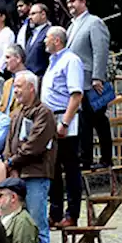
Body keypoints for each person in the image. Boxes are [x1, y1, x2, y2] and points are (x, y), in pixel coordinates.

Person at [4, 71, 56, 243]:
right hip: (19, 174)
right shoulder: (17, 114)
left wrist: (13, 161)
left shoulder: (44, 113)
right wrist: (10, 162)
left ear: (32, 88)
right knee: (18, 225)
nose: (15, 90)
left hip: (35, 174)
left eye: (19, 86)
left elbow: (35, 144)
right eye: (14, 86)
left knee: (37, 223)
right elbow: (9, 143)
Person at [63, 0, 113, 170]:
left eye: (73, 1)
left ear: (83, 1)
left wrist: (98, 76)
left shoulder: (94, 22)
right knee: (84, 122)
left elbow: (100, 50)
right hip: (78, 81)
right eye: (68, 2)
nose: (70, 5)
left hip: (91, 80)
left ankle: (106, 159)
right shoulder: (71, 26)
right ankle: (86, 159)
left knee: (98, 120)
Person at [42, 26, 84, 228]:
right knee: (54, 169)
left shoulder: (71, 60)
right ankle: (56, 212)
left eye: (47, 38)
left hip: (65, 118)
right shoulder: (53, 62)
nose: (44, 42)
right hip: (51, 119)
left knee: (70, 167)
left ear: (57, 40)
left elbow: (76, 95)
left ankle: (72, 213)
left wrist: (65, 122)